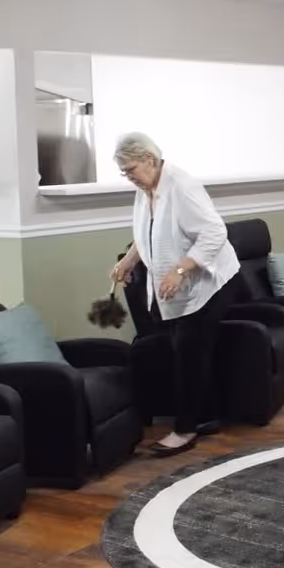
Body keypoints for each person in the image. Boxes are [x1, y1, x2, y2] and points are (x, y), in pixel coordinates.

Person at [109, 132, 241, 456]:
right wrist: (127, 262)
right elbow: (146, 233)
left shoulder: (182, 186)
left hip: (209, 283)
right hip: (176, 285)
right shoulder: (146, 189)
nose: (128, 177)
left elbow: (214, 233)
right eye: (123, 172)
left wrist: (181, 270)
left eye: (130, 170)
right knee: (186, 351)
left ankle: (184, 430)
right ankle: (206, 417)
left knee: (188, 355)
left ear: (150, 160)